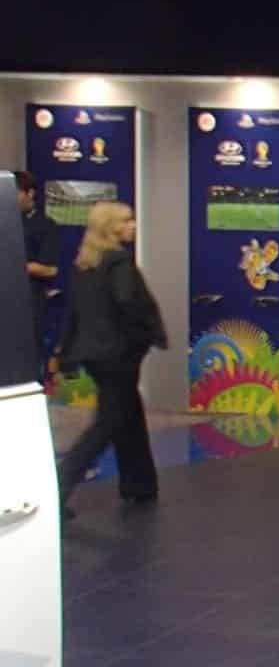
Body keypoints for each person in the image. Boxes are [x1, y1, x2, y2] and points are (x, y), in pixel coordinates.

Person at [55, 203, 166, 510]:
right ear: (111, 227)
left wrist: (66, 354)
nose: (133, 225)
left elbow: (75, 314)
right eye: (126, 220)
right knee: (106, 424)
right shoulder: (118, 263)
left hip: (95, 355)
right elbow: (130, 304)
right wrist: (145, 337)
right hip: (118, 354)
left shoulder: (85, 265)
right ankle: (58, 489)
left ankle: (139, 485)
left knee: (129, 413)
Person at [15, 170, 59, 381]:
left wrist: (15, 267)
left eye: (15, 194)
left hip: (30, 302)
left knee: (28, 357)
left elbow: (50, 269)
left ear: (29, 193)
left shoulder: (45, 225)